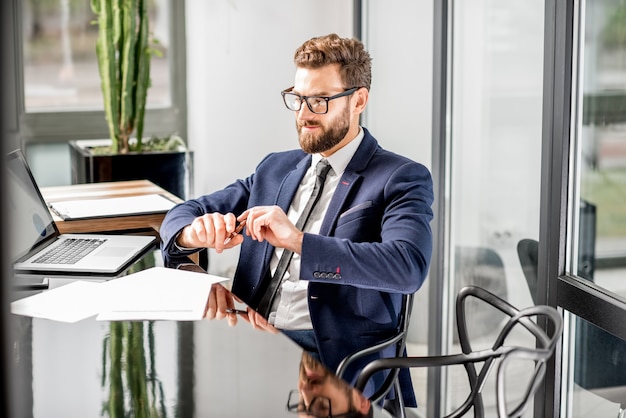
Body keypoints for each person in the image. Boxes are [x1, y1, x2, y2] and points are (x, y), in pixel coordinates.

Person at [160, 33, 433, 409]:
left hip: (337, 359)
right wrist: (194, 233)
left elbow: (408, 267)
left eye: (320, 101)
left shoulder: (399, 176)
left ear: (358, 100)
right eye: (298, 98)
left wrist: (299, 241)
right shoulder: (277, 167)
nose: (304, 114)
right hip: (254, 339)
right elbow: (181, 213)